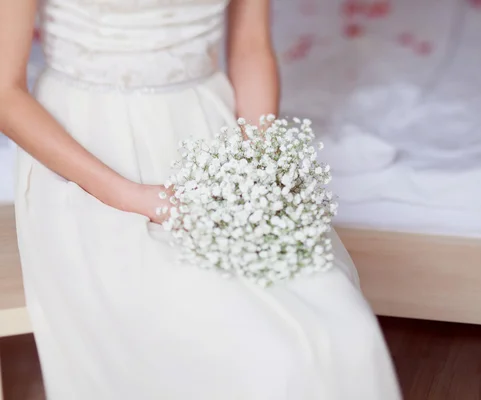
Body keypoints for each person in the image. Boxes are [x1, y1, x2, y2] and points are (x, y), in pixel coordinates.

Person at [0, 0, 402, 398]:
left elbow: (250, 47)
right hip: (86, 154)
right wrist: (133, 197)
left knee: (346, 331)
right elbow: (5, 93)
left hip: (209, 129)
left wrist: (258, 165)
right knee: (251, 342)